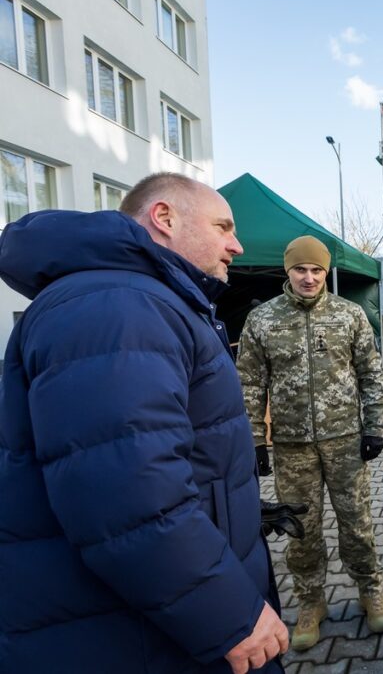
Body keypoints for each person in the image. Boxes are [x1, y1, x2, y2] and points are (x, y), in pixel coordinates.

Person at [0, 172, 288, 673]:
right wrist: (229, 615)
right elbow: (126, 497)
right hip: (135, 633)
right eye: (223, 226)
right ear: (164, 218)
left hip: (144, 614)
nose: (236, 245)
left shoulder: (139, 298)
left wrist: (231, 500)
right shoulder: (117, 306)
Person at [235, 236, 383, 651]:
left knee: (356, 521)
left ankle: (369, 589)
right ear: (287, 271)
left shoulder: (350, 315)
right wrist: (255, 441)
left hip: (345, 441)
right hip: (291, 445)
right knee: (302, 527)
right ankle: (310, 602)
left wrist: (373, 427)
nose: (309, 277)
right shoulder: (263, 321)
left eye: (316, 270)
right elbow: (250, 383)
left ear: (326, 273)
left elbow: (371, 374)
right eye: (300, 269)